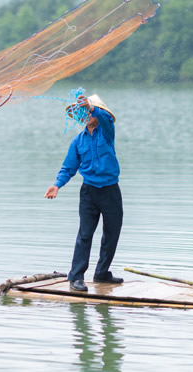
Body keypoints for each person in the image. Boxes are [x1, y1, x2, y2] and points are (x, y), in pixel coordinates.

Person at [44, 94, 124, 292]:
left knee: (111, 233)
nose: (86, 116)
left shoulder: (107, 131)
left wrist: (91, 107)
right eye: (83, 113)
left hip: (110, 190)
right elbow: (68, 168)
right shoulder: (78, 141)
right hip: (89, 192)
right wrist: (57, 185)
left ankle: (102, 273)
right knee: (85, 234)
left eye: (89, 112)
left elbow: (105, 119)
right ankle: (76, 276)